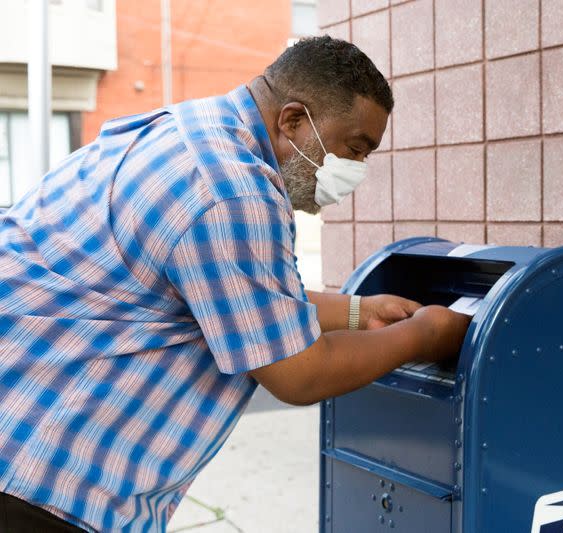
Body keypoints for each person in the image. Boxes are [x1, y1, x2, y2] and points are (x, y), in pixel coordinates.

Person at [0, 36, 471, 532]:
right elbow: (300, 373)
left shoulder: (185, 132)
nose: (356, 172)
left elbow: (226, 297)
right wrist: (427, 335)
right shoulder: (232, 190)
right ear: (292, 120)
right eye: (355, 150)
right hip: (40, 486)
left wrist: (360, 312)